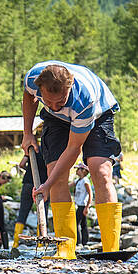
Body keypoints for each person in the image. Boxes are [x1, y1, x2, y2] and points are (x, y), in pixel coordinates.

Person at [22, 60, 123, 259]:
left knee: (100, 171)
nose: (54, 106)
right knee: (56, 174)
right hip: (55, 122)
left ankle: (111, 249)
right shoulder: (33, 78)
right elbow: (29, 96)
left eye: (60, 101)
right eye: (48, 101)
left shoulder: (83, 100)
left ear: (68, 89)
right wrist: (27, 133)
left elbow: (73, 149)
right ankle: (65, 248)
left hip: (99, 113)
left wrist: (46, 185)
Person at [12, 149, 49, 249]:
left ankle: (15, 243)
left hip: (28, 183)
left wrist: (30, 169)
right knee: (42, 212)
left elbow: (21, 164)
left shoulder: (32, 149)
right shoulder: (49, 150)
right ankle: (41, 243)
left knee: (23, 212)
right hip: (43, 185)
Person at [72, 163, 93, 246]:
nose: (77, 171)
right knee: (83, 223)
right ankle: (85, 241)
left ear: (83, 171)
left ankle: (79, 241)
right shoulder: (78, 180)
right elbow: (69, 185)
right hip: (79, 204)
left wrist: (87, 207)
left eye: (78, 169)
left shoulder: (85, 181)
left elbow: (90, 194)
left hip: (82, 205)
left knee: (76, 223)